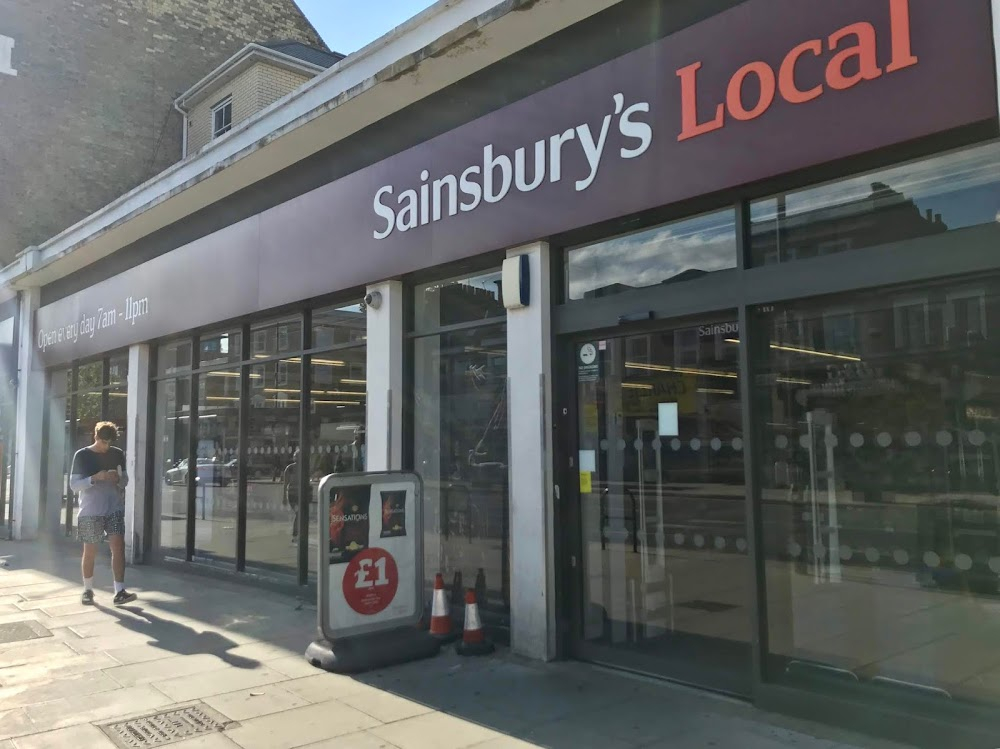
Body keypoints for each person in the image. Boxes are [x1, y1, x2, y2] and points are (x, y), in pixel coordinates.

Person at [69, 421, 137, 606]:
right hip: (91, 509)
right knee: (90, 550)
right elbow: (74, 485)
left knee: (118, 546)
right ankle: (88, 590)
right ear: (95, 436)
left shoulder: (117, 454)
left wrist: (119, 479)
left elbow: (125, 480)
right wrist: (94, 478)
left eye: (108, 443)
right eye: (102, 442)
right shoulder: (82, 455)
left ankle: (119, 591)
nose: (105, 447)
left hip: (113, 507)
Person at [283, 449, 301, 545]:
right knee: (298, 513)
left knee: (300, 514)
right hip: (292, 495)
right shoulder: (289, 468)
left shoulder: (304, 468)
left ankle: (297, 534)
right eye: (296, 455)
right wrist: (284, 497)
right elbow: (285, 484)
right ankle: (295, 535)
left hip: (301, 494)